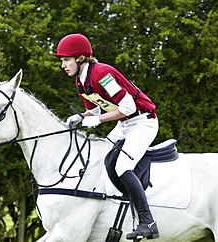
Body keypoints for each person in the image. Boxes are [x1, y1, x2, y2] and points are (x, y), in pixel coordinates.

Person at [53, 33, 159, 240]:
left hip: (143, 122)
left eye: (66, 60)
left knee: (122, 167)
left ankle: (148, 222)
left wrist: (99, 121)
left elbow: (127, 107)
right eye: (62, 61)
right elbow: (94, 111)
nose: (63, 65)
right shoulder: (80, 82)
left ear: (80, 58)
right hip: (124, 124)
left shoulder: (102, 74)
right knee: (103, 157)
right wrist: (81, 116)